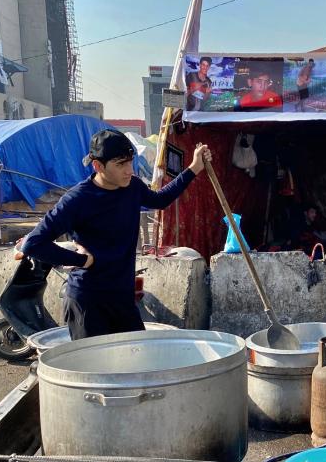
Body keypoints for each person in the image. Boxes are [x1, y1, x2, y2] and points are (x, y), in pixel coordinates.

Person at [21, 129, 212, 340]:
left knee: (135, 360)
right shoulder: (77, 200)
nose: (129, 170)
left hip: (122, 298)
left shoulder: (133, 187)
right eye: (121, 164)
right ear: (98, 166)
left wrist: (194, 168)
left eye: (130, 162)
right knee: (95, 368)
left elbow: (160, 200)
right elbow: (33, 244)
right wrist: (81, 260)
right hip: (89, 301)